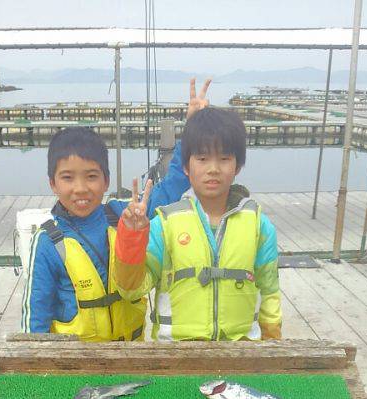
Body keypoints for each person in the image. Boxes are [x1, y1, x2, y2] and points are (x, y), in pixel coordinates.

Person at [21, 79, 211, 339]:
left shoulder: (124, 215)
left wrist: (191, 132)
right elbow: (36, 315)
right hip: (74, 365)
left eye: (91, 176)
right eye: (67, 178)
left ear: (106, 181)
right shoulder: (46, 242)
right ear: (52, 184)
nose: (80, 188)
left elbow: (171, 187)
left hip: (128, 355)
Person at [114, 105, 282, 341]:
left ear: (238, 166)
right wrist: (131, 237)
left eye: (224, 158)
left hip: (243, 354)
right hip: (177, 357)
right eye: (202, 159)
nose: (213, 169)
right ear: (185, 166)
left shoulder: (259, 225)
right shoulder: (165, 224)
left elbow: (270, 291)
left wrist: (272, 343)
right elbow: (130, 289)